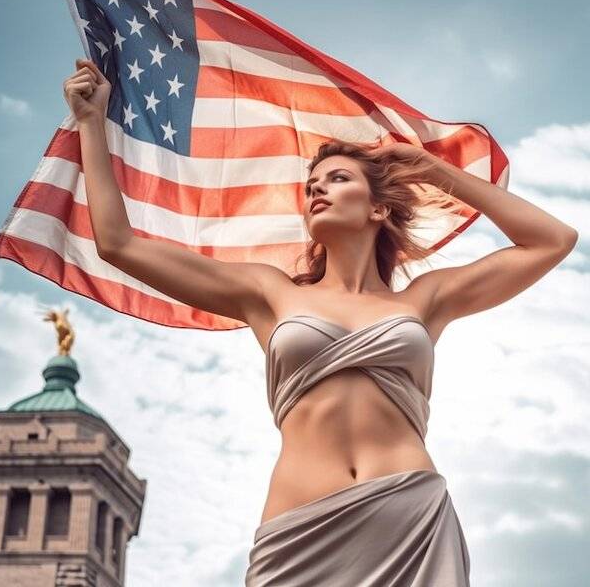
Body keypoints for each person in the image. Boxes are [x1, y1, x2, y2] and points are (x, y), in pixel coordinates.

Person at [63, 59, 578, 586]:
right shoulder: (269, 293)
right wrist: (90, 123)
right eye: (312, 185)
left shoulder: (426, 300)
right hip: (300, 532)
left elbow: (552, 240)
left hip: (412, 519)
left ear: (378, 209)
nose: (317, 190)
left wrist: (436, 172)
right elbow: (117, 244)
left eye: (337, 179)